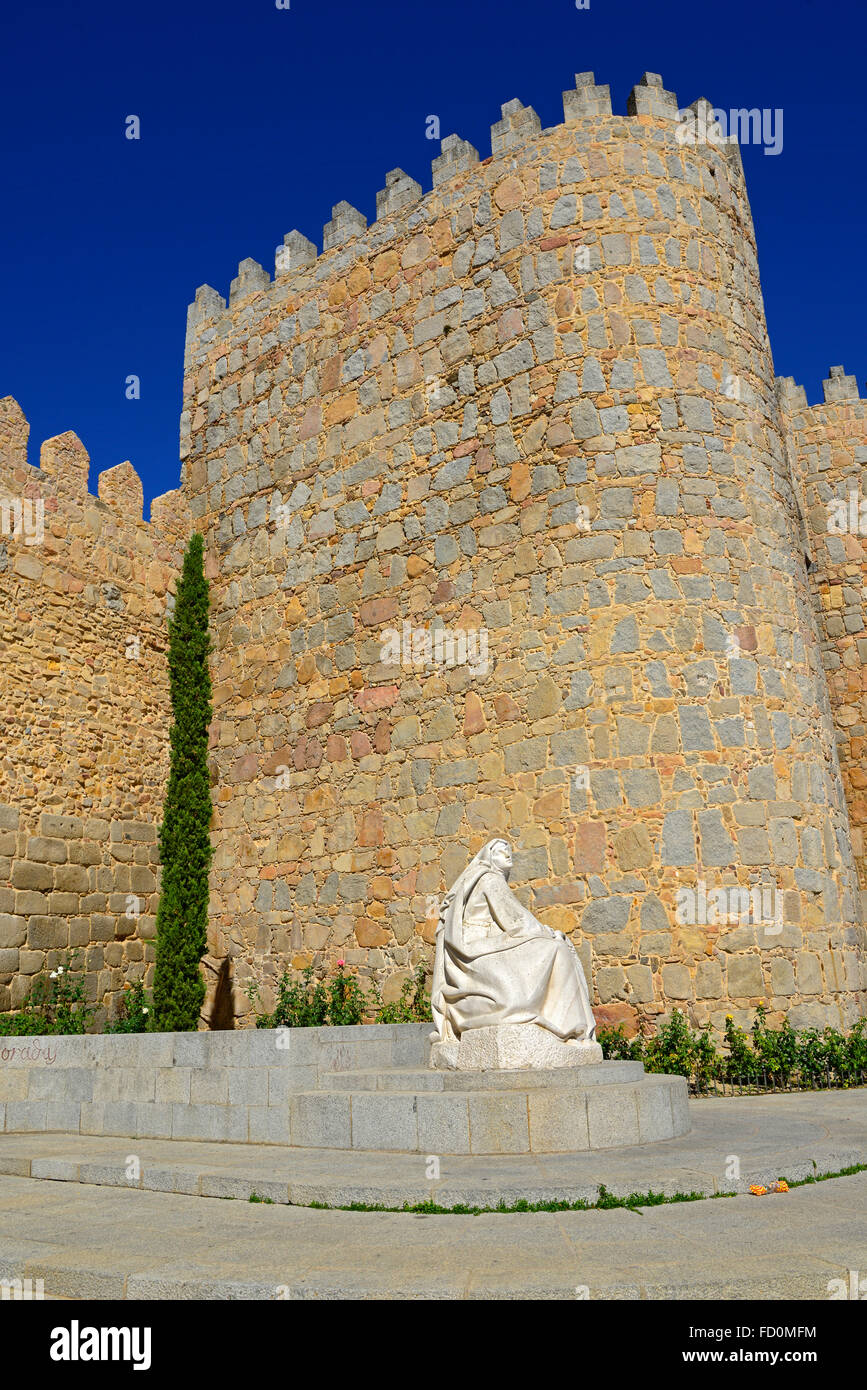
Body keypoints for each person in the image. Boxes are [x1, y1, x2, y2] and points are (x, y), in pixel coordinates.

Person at [430, 838, 597, 1046]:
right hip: (479, 948)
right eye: (501, 852)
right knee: (556, 948)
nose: (508, 855)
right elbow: (516, 919)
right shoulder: (490, 879)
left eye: (509, 851)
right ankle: (571, 1029)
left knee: (546, 950)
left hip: (480, 946)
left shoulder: (478, 879)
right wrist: (547, 932)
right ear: (490, 857)